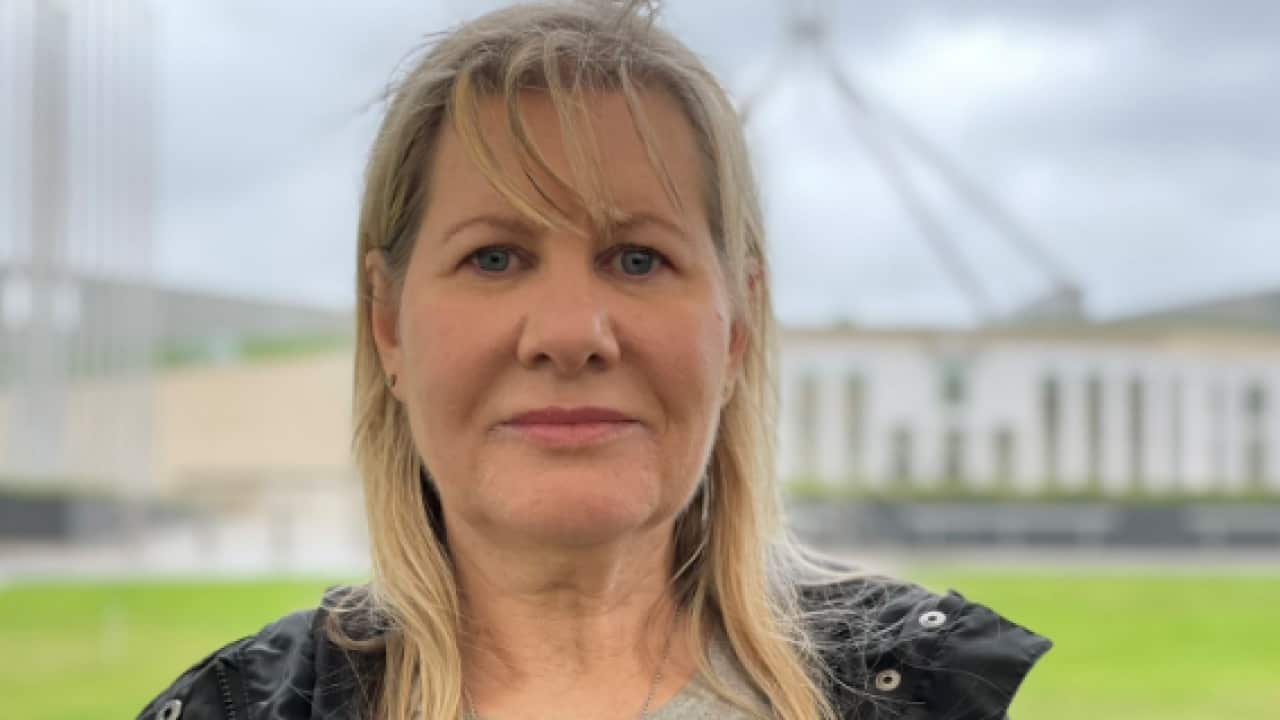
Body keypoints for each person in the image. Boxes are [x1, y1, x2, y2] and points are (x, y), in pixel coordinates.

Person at [138, 2, 1050, 719]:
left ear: (738, 325)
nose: (571, 333)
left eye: (638, 259)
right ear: (387, 324)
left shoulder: (923, 696)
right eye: (494, 257)